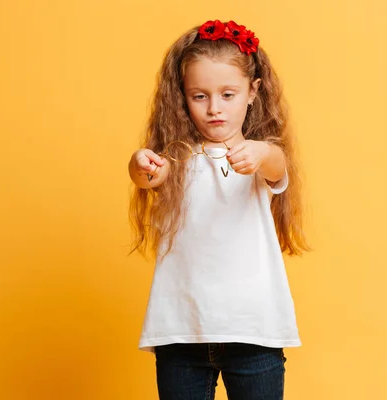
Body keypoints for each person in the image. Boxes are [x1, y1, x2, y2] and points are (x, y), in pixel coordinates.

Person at [128, 19, 309, 400]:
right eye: (200, 96)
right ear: (183, 97)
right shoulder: (175, 160)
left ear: (252, 92)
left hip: (253, 331)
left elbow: (278, 164)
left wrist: (260, 153)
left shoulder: (259, 158)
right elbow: (146, 177)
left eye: (228, 94)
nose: (214, 109)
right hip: (181, 332)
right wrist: (139, 162)